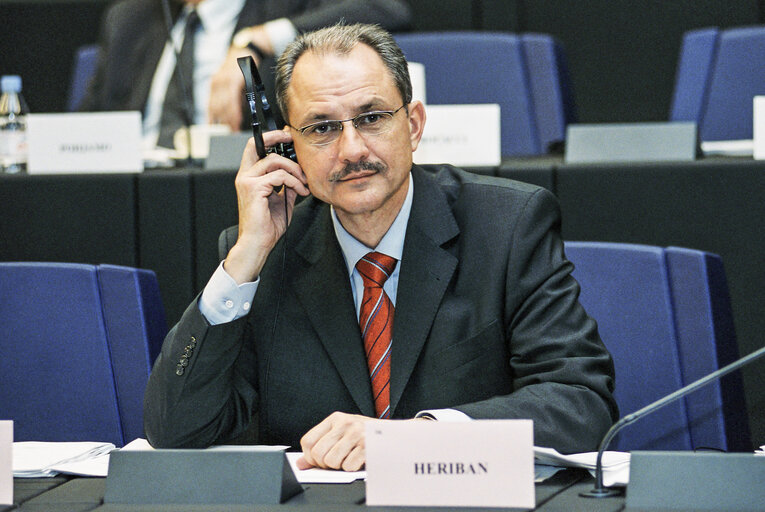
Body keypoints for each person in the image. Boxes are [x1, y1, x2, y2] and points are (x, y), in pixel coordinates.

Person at [143, 23, 618, 471]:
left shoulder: (508, 226)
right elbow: (175, 435)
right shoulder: (265, 253)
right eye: (322, 128)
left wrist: (416, 438)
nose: (351, 150)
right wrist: (244, 260)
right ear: (285, 149)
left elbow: (580, 402)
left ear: (413, 125)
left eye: (371, 118)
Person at [78, 0, 411, 149]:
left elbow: (387, 8)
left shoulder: (282, 6)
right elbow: (86, 125)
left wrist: (260, 38)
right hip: (130, 186)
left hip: (229, 179)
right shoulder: (128, 18)